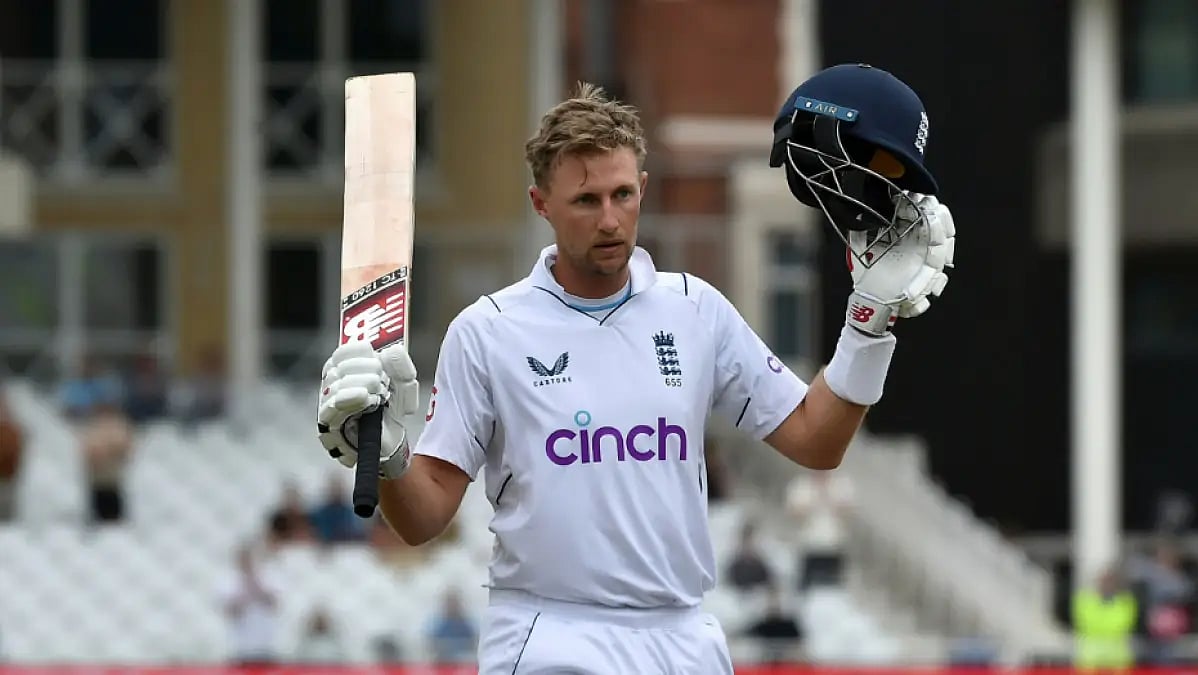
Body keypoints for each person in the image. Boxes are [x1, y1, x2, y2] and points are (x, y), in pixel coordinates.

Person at [316, 64, 956, 673]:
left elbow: (817, 442)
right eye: (586, 200)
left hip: (682, 637)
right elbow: (424, 520)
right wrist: (391, 458)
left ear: (642, 187)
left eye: (623, 194)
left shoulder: (695, 310)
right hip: (549, 634)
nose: (610, 219)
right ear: (541, 204)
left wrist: (869, 323)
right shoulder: (487, 332)